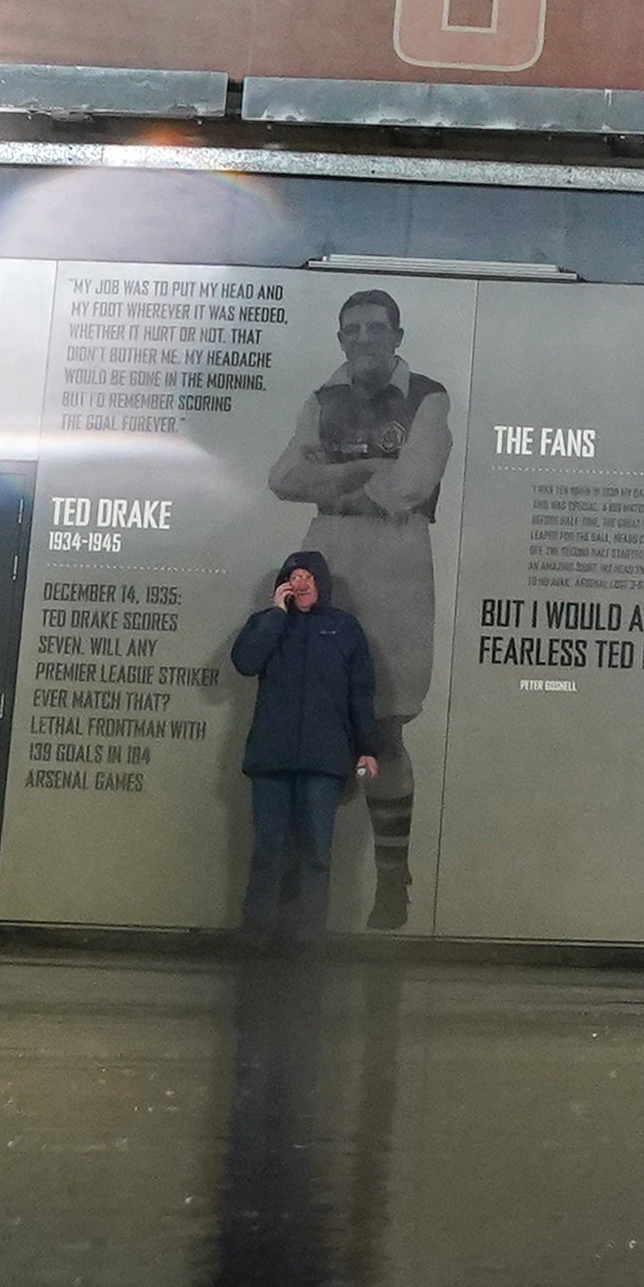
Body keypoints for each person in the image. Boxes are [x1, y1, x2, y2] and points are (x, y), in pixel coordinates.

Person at [267, 287, 452, 930]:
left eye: (377, 328)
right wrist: (367, 469)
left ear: (398, 335)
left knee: (385, 724)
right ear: (340, 338)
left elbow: (409, 486)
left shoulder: (428, 397)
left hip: (398, 566)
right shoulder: (321, 401)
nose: (365, 339)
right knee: (317, 716)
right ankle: (306, 888)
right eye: (353, 330)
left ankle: (391, 881)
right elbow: (284, 479)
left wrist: (340, 476)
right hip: (332, 556)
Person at [227, 551, 386, 946]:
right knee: (268, 848)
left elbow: (361, 693)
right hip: (271, 756)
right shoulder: (266, 623)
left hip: (323, 758)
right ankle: (256, 932)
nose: (301, 583)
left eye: (308, 578)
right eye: (294, 577)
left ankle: (309, 934)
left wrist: (368, 747)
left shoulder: (344, 629)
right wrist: (276, 615)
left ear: (321, 584)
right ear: (283, 584)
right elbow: (245, 662)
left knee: (317, 851)